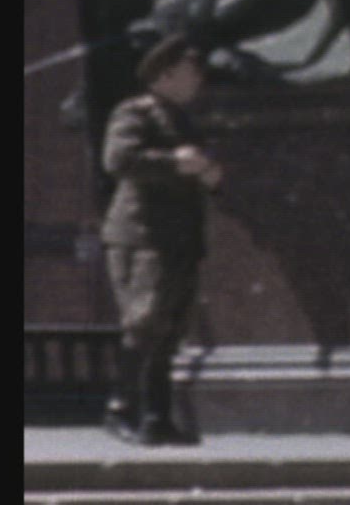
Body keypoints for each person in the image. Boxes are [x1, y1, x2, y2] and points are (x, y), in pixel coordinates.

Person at [100, 34, 225, 446]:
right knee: (144, 321)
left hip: (178, 239)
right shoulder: (136, 112)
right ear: (164, 75)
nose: (197, 80)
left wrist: (209, 175)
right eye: (190, 72)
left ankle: (157, 417)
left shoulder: (184, 118)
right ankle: (121, 408)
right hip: (143, 236)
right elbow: (118, 160)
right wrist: (174, 162)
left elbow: (195, 169)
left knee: (170, 330)